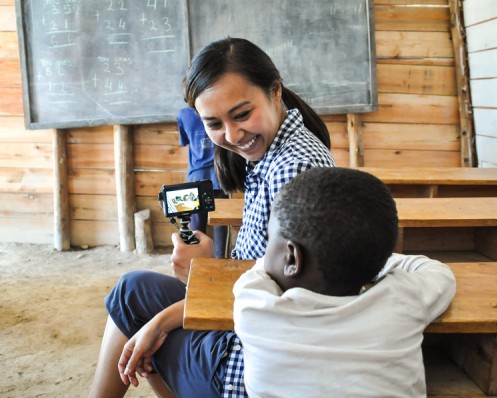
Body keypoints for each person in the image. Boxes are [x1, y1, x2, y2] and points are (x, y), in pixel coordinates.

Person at [89, 37, 334, 397]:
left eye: (241, 114)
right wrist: (205, 277)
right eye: (213, 123)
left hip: (250, 357)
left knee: (141, 324)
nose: (232, 135)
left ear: (275, 90)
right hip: (244, 316)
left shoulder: (291, 167)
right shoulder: (277, 149)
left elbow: (279, 297)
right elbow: (262, 270)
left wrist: (200, 284)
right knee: (132, 292)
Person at [93, 167, 457, 397]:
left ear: (293, 258)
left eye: (269, 241)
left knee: (144, 324)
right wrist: (365, 256)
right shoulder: (404, 298)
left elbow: (249, 274)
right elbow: (438, 272)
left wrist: (203, 267)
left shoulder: (257, 304)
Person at [177, 78, 228, 258]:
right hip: (219, 175)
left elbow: (184, 141)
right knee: (221, 222)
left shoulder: (183, 115)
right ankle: (221, 260)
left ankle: (196, 261)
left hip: (195, 176)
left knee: (196, 224)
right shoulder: (217, 111)